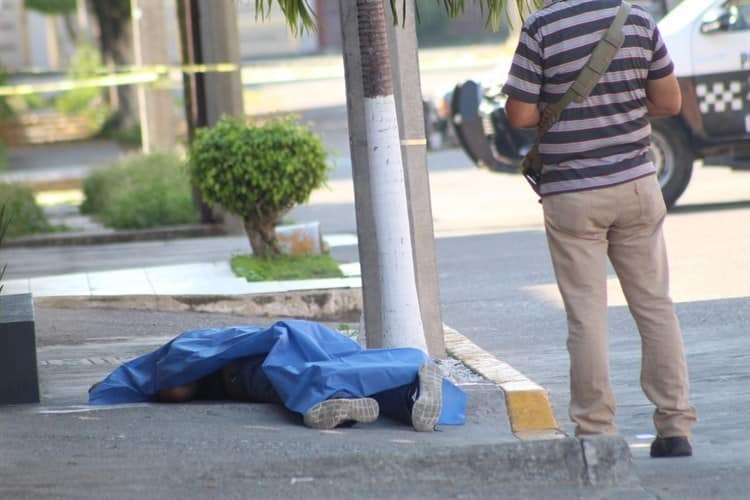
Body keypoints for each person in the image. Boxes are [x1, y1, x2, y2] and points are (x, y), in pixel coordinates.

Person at [502, 0, 696, 457]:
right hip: (635, 185)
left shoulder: (541, 28)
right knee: (654, 307)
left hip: (572, 193)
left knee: (586, 315)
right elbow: (669, 101)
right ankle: (674, 427)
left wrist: (565, 106)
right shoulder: (638, 20)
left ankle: (596, 430)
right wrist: (621, 107)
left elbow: (519, 115)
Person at [88, 320, 466, 432]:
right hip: (300, 345)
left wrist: (161, 386)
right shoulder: (187, 354)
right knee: (350, 369)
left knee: (296, 375)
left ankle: (324, 402)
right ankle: (412, 399)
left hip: (261, 363)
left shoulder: (183, 351)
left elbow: (176, 388)